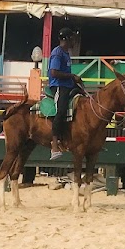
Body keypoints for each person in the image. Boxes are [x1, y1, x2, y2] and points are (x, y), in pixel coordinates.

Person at [48, 28, 82, 159]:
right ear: (67, 39)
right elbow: (54, 72)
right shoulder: (57, 53)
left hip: (68, 84)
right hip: (58, 85)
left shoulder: (66, 53)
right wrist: (72, 76)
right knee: (61, 110)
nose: (74, 42)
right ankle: (54, 145)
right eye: (73, 38)